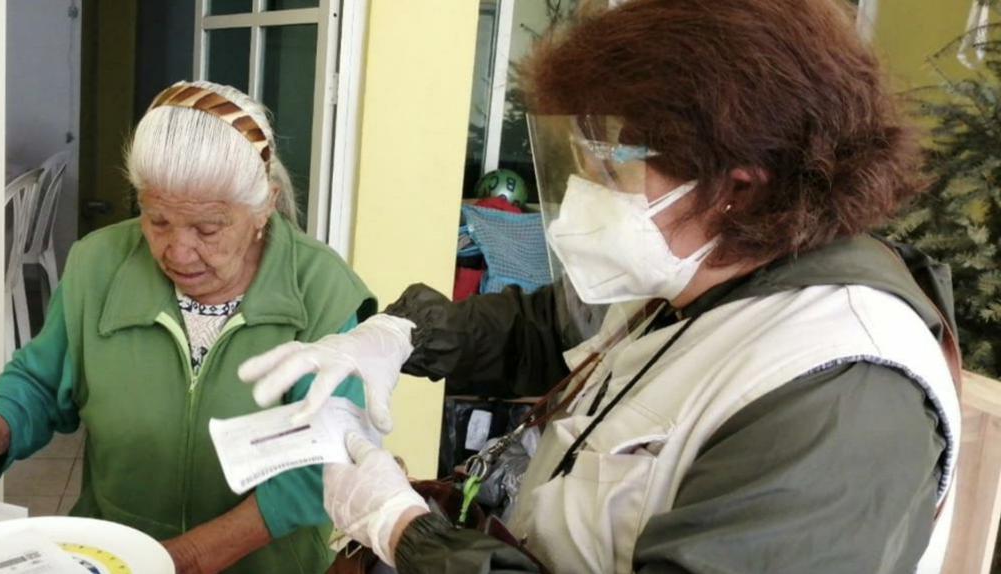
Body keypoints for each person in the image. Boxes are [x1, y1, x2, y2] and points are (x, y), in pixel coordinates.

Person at [238, 1, 963, 572]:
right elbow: (547, 328)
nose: (581, 201)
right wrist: (395, 338)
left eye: (610, 172)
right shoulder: (708, 275)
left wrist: (406, 532)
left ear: (736, 186)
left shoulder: (839, 402)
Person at [0, 81, 375, 574]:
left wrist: (184, 560)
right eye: (157, 221)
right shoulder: (98, 264)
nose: (177, 252)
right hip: (112, 555)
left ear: (264, 205)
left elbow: (323, 463)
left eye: (207, 228)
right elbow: (41, 382)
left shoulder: (322, 290)